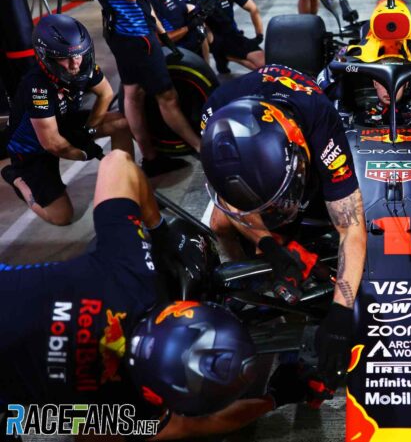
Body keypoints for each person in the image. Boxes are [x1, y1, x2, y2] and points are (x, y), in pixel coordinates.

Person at [0, 149, 310, 438]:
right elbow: (190, 426)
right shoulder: (119, 403)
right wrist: (275, 398)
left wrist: (158, 230)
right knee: (30, 419)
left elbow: (117, 161)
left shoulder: (128, 271)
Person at [200, 63, 367, 396]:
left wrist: (340, 311)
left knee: (307, 234)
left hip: (302, 125)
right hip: (261, 147)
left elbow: (351, 229)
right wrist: (269, 246)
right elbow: (228, 193)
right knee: (219, 224)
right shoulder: (214, 119)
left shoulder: (319, 121)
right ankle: (256, 280)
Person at [2, 14, 132, 226]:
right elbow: (52, 144)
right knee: (62, 217)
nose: (75, 64)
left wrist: (89, 130)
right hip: (33, 150)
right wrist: (84, 153)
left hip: (63, 124)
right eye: (65, 58)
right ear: (46, 57)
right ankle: (16, 178)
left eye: (79, 54)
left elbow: (106, 94)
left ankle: (125, 182)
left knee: (120, 124)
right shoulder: (37, 87)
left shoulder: (82, 64)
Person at [88, 0, 200, 175]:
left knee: (133, 93)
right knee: (167, 96)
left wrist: (162, 33)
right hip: (134, 34)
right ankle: (200, 147)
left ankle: (151, 158)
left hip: (131, 32)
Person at [187, 0, 265, 74]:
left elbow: (253, 9)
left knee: (265, 65)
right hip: (214, 40)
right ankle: (211, 67)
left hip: (233, 35)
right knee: (200, 30)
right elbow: (192, 24)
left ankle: (224, 56)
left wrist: (259, 36)